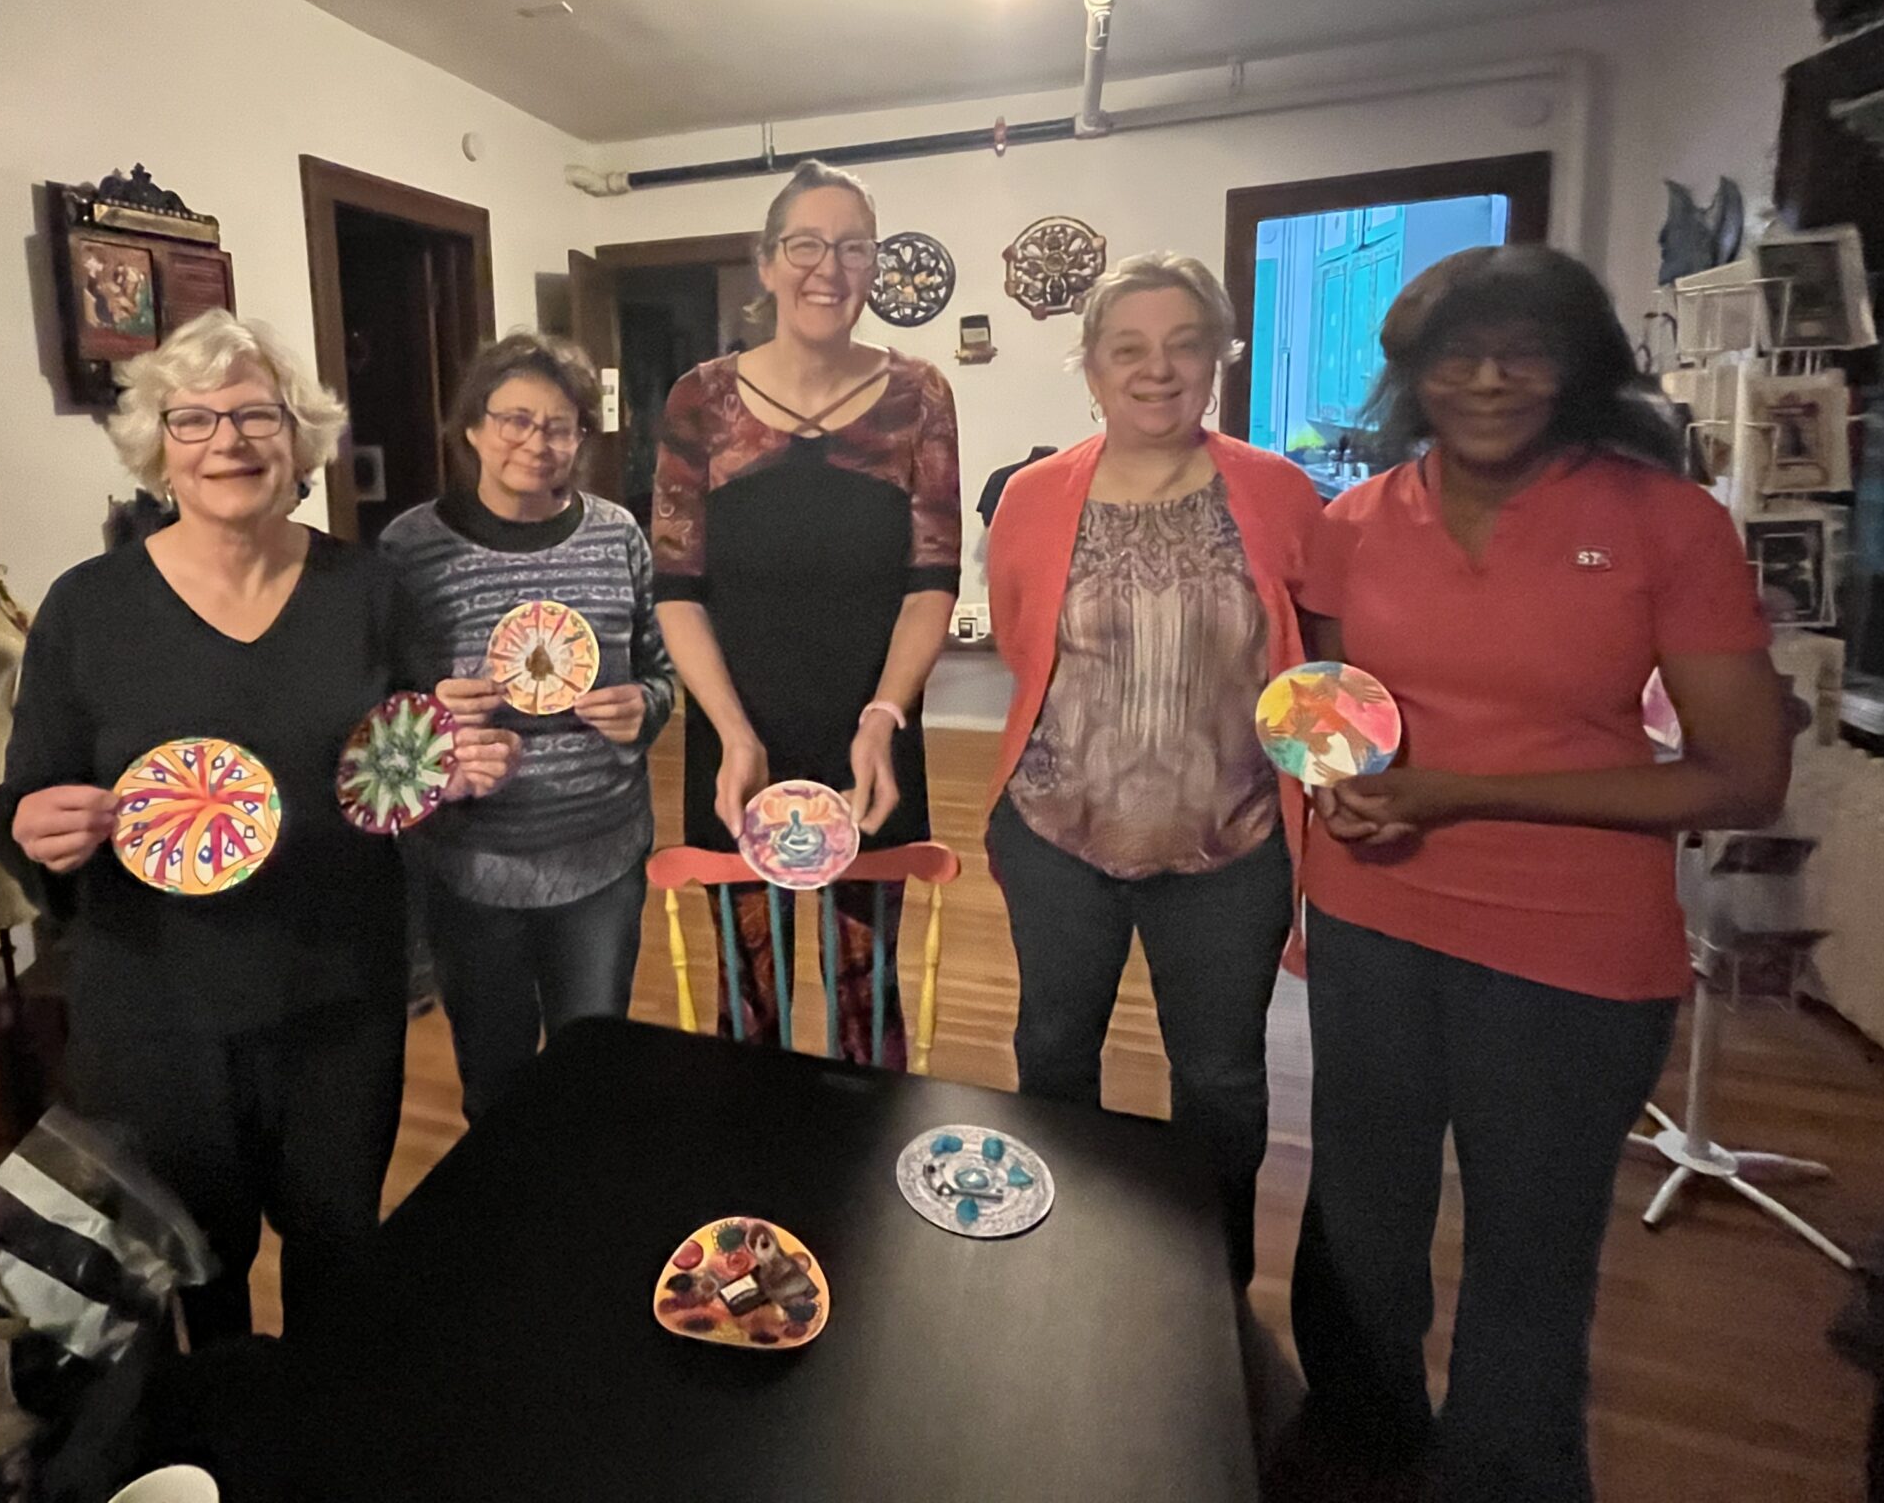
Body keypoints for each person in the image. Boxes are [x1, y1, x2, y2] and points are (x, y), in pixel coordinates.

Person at [1285, 245, 1789, 1501]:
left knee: (1530, 1254)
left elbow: (1741, 778)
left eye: (1525, 352)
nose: (1489, 380)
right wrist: (1338, 788)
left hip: (1570, 949)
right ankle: (1363, 1450)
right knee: (1361, 1227)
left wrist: (1463, 792)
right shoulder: (1353, 520)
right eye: (1456, 356)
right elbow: (1337, 714)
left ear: (1579, 369)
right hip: (1369, 919)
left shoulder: (1664, 522)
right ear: (1412, 376)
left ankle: (1505, 1474)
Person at [0, 309, 516, 1344]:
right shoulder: (88, 609)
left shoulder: (369, 591)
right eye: (193, 420)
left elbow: (414, 761)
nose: (226, 441)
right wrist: (33, 829)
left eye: (255, 416)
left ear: (297, 437)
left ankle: (321, 1428)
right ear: (158, 447)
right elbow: (26, 803)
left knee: (338, 1249)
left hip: (339, 996)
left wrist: (460, 772)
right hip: (158, 1010)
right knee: (196, 1270)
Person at [984, 254, 1321, 1288]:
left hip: (1231, 842)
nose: (1157, 370)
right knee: (1053, 1057)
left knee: (1220, 1081)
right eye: (1127, 349)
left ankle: (1209, 1290)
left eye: (1184, 345)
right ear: (1090, 368)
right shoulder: (1031, 498)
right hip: (1057, 835)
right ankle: (1058, 1269)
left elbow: (1316, 662)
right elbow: (1021, 641)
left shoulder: (1279, 493)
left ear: (1219, 358)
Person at [652, 159, 961, 1065]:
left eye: (854, 248)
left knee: (867, 989)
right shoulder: (701, 401)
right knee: (750, 992)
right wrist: (733, 732)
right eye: (806, 245)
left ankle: (870, 1147)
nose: (830, 268)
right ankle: (756, 1148)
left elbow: (931, 578)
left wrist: (884, 715)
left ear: (874, 266)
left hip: (873, 740)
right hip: (736, 740)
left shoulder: (918, 398)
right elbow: (677, 590)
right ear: (767, 262)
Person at [379, 332, 676, 1120]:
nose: (536, 443)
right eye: (515, 420)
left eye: (560, 426)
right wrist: (434, 719)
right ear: (473, 427)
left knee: (593, 1072)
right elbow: (377, 714)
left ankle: (584, 1189)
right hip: (470, 866)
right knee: (495, 1083)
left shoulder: (617, 535)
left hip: (600, 856)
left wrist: (644, 707)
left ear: (581, 438)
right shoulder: (410, 550)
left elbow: (661, 670)